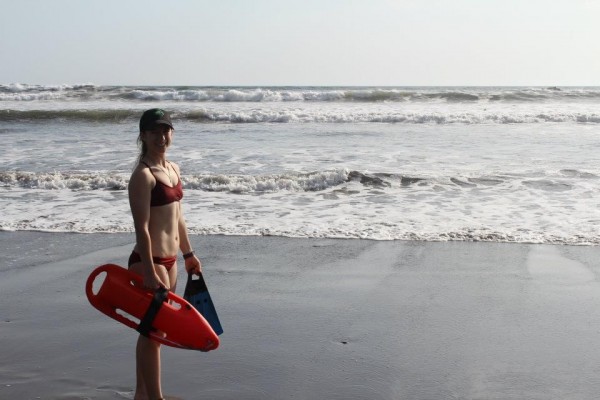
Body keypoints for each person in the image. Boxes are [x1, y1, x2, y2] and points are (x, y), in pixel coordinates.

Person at [128, 108, 201, 400]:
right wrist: (147, 269)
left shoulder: (173, 169)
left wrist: (188, 254)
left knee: (151, 331)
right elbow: (141, 229)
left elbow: (178, 219)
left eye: (166, 130)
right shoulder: (142, 176)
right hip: (149, 261)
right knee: (154, 332)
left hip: (170, 262)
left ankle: (141, 394)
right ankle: (155, 398)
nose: (162, 137)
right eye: (155, 131)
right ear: (143, 136)